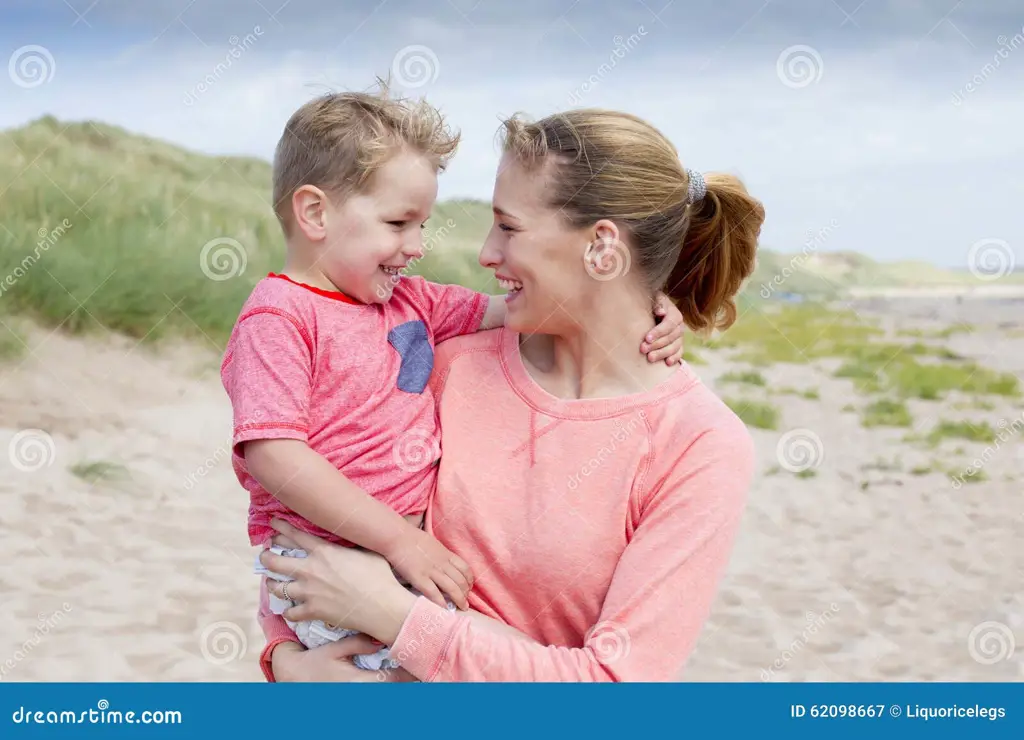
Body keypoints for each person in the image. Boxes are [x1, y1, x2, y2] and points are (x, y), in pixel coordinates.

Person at [255, 107, 764, 682]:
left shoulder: (699, 444)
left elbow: (617, 689)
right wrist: (288, 665)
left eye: (510, 227)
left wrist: (393, 613)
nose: (486, 253)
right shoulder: (437, 364)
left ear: (602, 247)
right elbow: (307, 532)